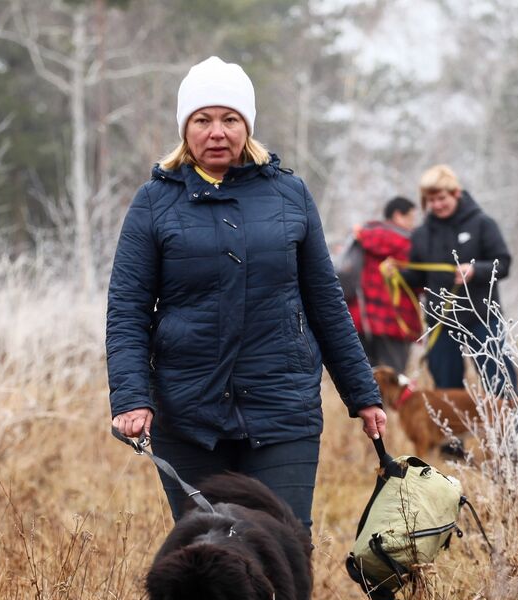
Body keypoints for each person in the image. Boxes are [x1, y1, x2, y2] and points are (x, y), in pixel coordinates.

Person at [106, 56, 385, 528]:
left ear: (247, 126)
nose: (217, 132)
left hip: (283, 406)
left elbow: (325, 302)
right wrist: (131, 397)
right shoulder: (153, 202)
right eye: (203, 120)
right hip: (188, 409)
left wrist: (363, 394)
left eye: (229, 119)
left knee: (284, 548)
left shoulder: (289, 195)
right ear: (185, 129)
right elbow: (127, 310)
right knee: (208, 558)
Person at [396, 164, 518, 398]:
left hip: (482, 317)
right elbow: (420, 277)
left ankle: (514, 433)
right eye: (431, 200)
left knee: (500, 384)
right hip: (441, 321)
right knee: (446, 391)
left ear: (456, 194)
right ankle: (454, 436)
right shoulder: (421, 234)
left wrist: (475, 270)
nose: (437, 205)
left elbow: (503, 264)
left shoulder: (482, 224)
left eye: (441, 198)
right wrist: (397, 273)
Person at [349, 196, 420, 372]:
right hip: (395, 322)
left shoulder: (363, 236)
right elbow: (418, 280)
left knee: (365, 384)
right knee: (395, 384)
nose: (413, 225)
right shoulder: (406, 244)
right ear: (398, 215)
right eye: (411, 218)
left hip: (361, 320)